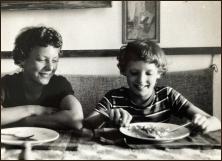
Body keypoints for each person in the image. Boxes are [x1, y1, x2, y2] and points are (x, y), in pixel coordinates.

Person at [85, 39, 221, 134]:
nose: (141, 79)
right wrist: (107, 115)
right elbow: (86, 123)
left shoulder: (167, 95)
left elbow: (216, 122)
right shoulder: (114, 97)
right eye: (134, 73)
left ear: (159, 73)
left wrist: (204, 123)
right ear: (124, 71)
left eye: (149, 73)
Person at [1, 26, 84, 130]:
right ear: (22, 59)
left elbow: (76, 120)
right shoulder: (7, 83)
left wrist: (28, 121)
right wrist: (33, 110)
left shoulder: (59, 84)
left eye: (54, 60)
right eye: (41, 60)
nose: (50, 67)